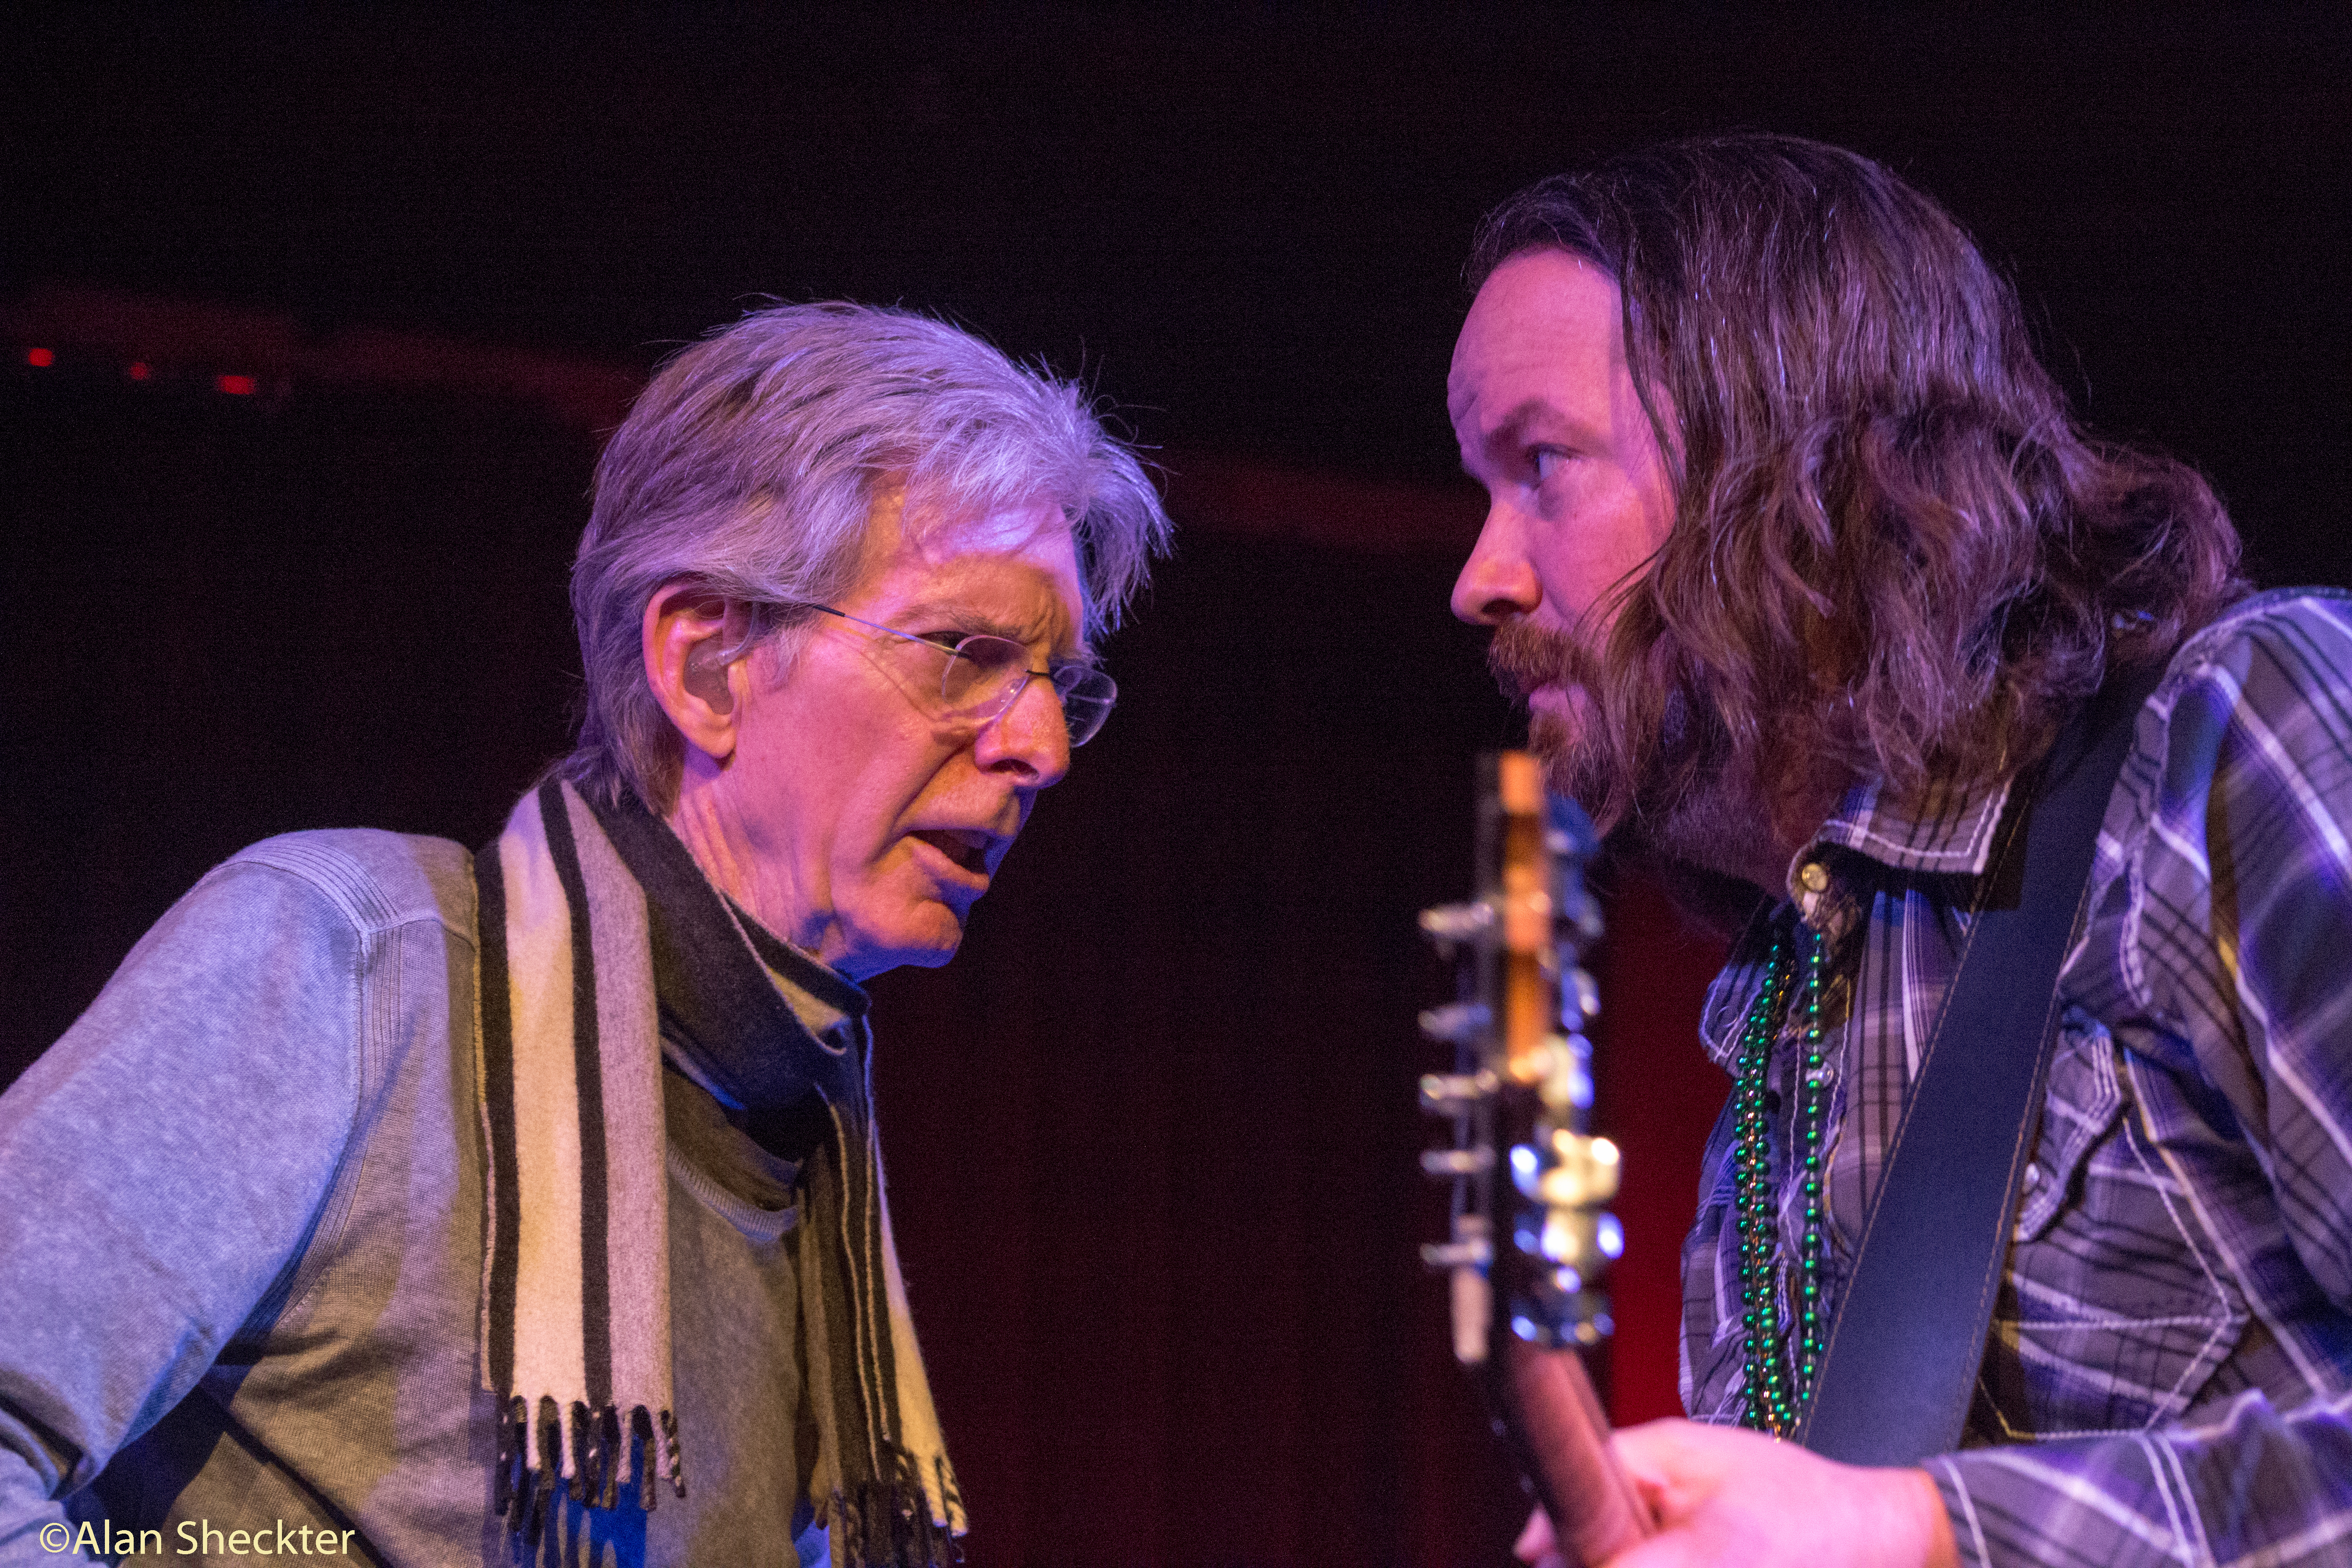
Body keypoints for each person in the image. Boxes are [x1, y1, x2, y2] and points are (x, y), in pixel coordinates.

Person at [0, 303, 1169, 1568]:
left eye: (1059, 684)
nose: (1041, 749)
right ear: (706, 661)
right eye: (968, 652)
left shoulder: (805, 1143)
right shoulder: (351, 963)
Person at [1447, 136, 2352, 1567]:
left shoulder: (2235, 741)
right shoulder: (1785, 1017)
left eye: (1541, 466)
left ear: (1780, 458)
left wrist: (1914, 1528)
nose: (1479, 576)